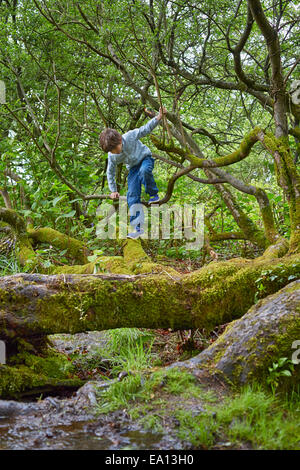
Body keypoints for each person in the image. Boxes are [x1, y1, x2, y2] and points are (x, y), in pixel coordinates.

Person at [99, 107, 167, 239]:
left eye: (115, 148)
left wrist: (158, 117)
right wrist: (113, 190)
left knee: (144, 171)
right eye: (111, 151)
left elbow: (145, 129)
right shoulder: (112, 156)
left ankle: (153, 194)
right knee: (131, 194)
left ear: (119, 140)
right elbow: (110, 172)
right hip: (133, 168)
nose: (114, 152)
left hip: (145, 159)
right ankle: (137, 228)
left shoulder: (129, 136)